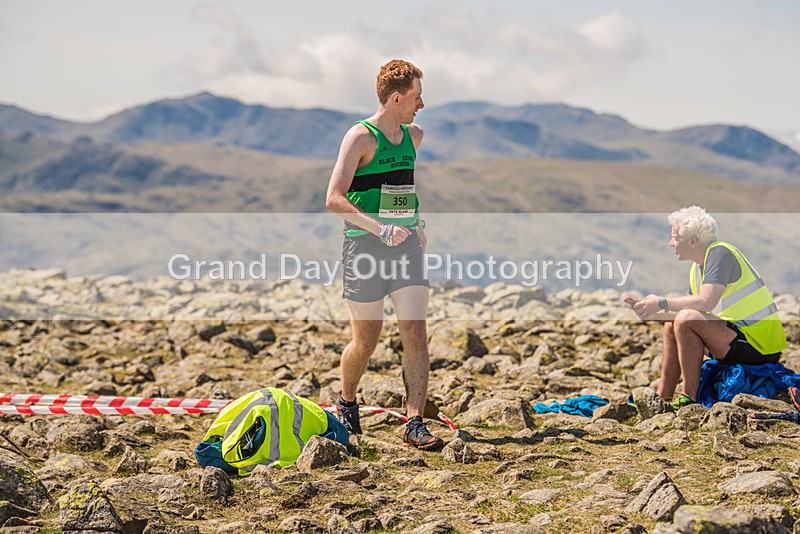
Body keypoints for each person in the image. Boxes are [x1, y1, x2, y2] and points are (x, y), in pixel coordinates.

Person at [325, 59, 443, 450]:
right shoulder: (360, 137)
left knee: (415, 332)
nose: (421, 104)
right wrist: (380, 229)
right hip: (364, 246)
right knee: (366, 340)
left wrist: (416, 225)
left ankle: (414, 423)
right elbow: (334, 198)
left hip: (405, 245)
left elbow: (402, 187)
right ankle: (347, 402)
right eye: (416, 97)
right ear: (396, 99)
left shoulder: (415, 136)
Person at [633, 206, 787, 409]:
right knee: (672, 325)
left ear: (692, 241)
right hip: (736, 337)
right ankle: (662, 398)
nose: (671, 243)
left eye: (675, 238)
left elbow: (706, 302)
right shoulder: (698, 267)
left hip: (758, 345)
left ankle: (689, 397)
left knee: (686, 319)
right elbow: (689, 311)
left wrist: (661, 301)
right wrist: (648, 311)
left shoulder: (719, 253)